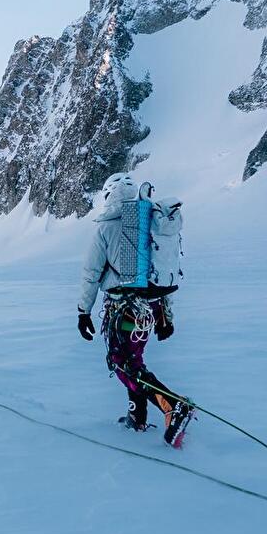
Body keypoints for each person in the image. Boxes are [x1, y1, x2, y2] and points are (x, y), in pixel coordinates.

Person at [76, 174, 192, 447]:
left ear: (109, 195)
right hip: (149, 309)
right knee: (133, 361)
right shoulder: (148, 222)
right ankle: (137, 417)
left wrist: (83, 311)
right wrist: (165, 316)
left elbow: (91, 273)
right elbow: (160, 270)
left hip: (123, 310)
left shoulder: (105, 228)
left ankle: (173, 405)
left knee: (124, 364)